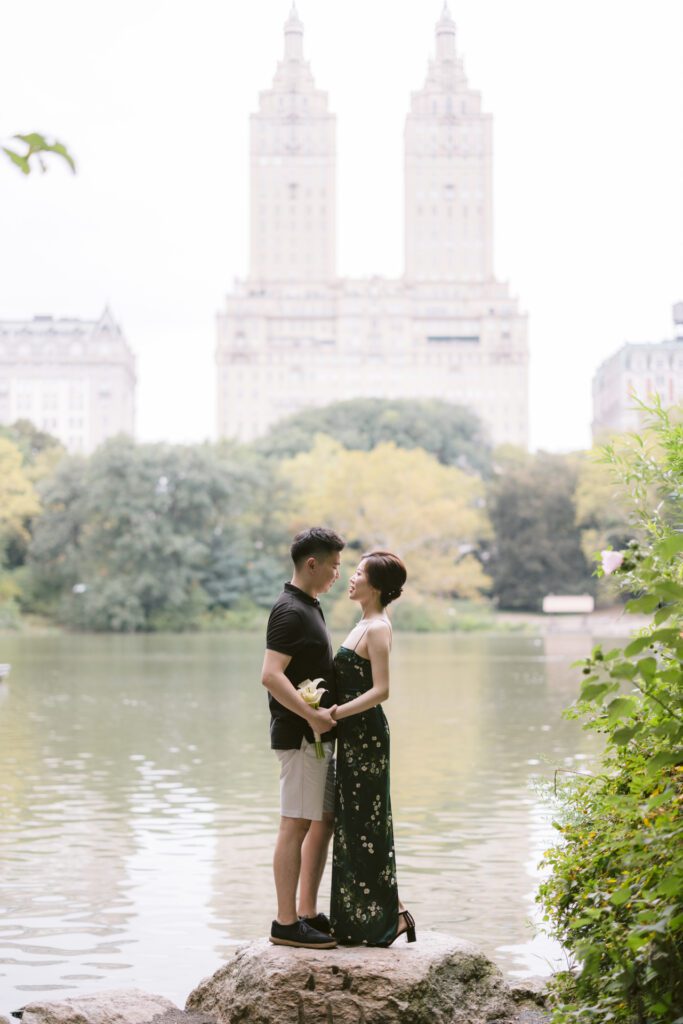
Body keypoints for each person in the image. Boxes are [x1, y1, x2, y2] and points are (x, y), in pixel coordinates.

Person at [261, 526, 345, 949]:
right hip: (298, 736)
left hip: (312, 734)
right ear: (311, 563)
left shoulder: (309, 605)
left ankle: (305, 913)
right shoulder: (289, 610)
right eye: (333, 565)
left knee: (309, 820)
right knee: (293, 824)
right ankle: (285, 923)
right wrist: (311, 717)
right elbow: (271, 675)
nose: (336, 574)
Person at [329, 550, 415, 947]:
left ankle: (392, 917)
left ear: (376, 586)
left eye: (359, 573)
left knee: (367, 826)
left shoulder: (378, 627)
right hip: (351, 734)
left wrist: (336, 713)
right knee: (352, 825)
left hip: (366, 737)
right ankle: (363, 918)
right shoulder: (361, 623)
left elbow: (382, 690)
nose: (351, 577)